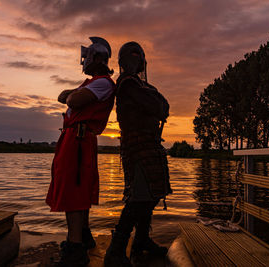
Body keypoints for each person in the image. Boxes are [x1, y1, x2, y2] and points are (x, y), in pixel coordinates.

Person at [46, 37, 115, 267]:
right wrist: (71, 95)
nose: (84, 62)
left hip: (78, 141)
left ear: (96, 58)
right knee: (76, 188)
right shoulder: (93, 83)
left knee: (74, 192)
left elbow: (72, 99)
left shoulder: (103, 83)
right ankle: (83, 237)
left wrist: (72, 95)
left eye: (87, 58)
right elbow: (63, 96)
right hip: (75, 139)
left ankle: (75, 251)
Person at [104, 42, 171, 267]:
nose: (136, 61)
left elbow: (164, 106)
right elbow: (156, 105)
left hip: (150, 146)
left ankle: (141, 239)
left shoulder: (140, 85)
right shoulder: (127, 83)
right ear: (125, 62)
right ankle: (115, 251)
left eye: (138, 57)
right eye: (132, 57)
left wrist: (158, 102)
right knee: (138, 197)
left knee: (150, 196)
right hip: (137, 147)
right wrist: (157, 101)